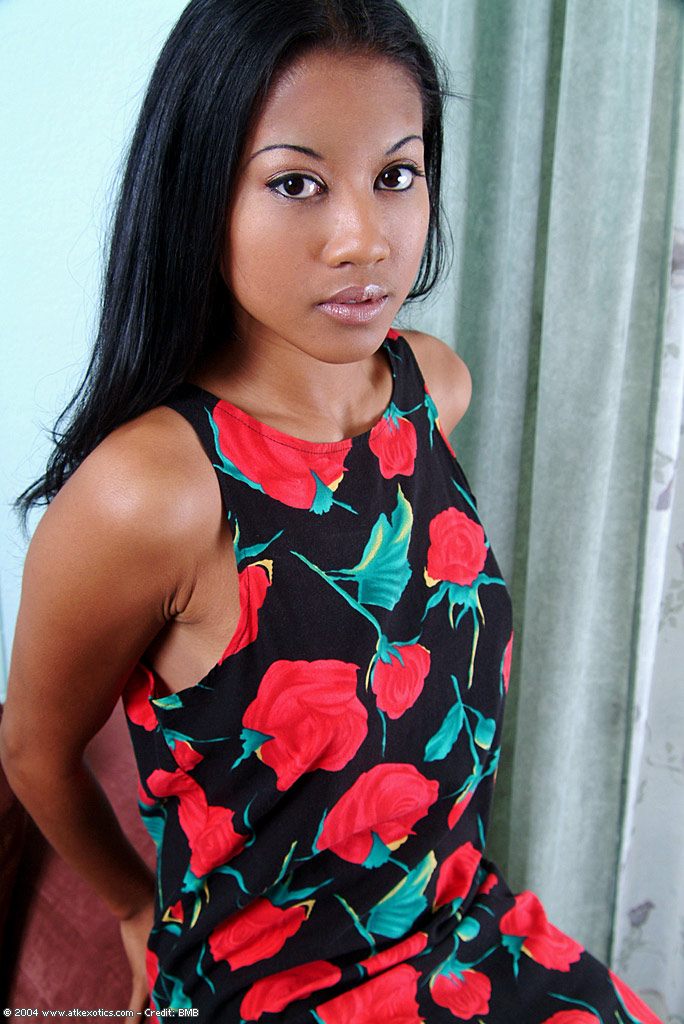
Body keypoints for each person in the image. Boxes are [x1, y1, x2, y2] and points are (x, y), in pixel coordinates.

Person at [0, 1, 665, 1021]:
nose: (363, 240)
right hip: (275, 990)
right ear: (200, 195)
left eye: (396, 176)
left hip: (470, 933)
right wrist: (135, 906)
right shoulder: (152, 494)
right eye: (296, 183)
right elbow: (32, 750)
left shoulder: (432, 390)